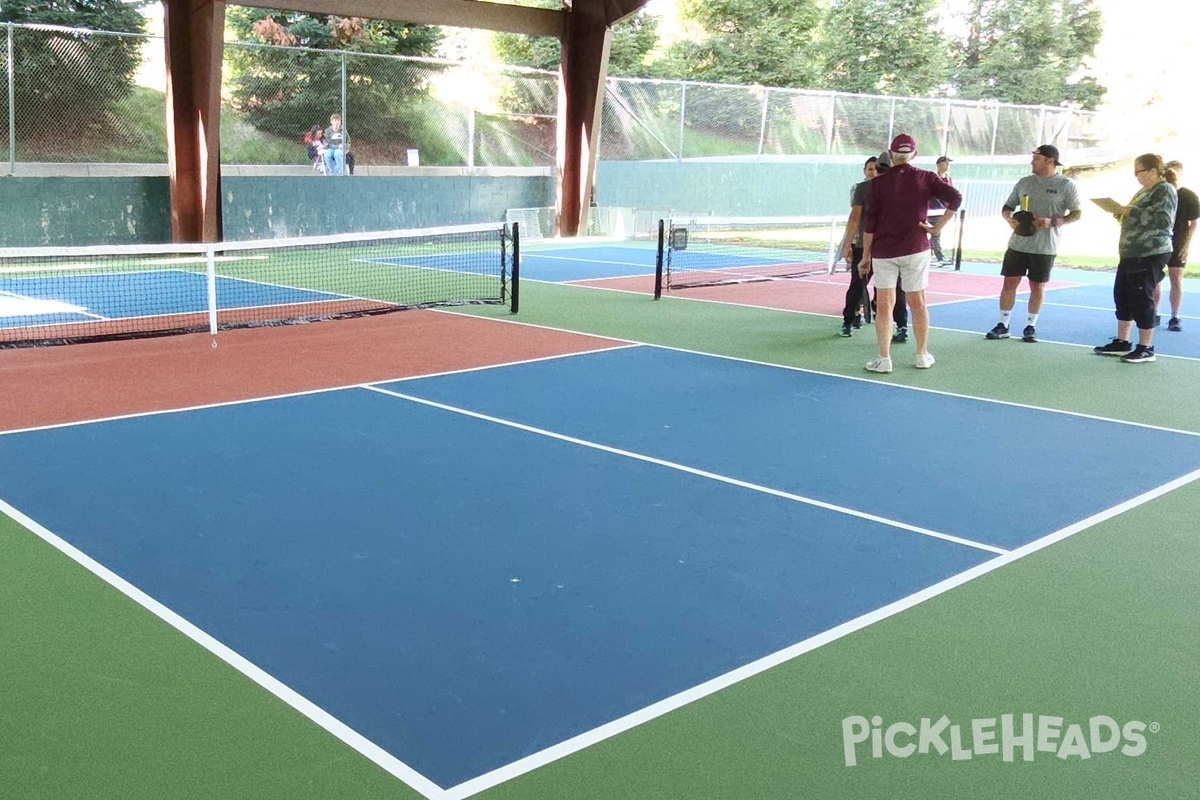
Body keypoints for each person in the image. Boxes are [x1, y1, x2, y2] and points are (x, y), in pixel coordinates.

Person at [860, 133, 962, 373]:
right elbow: (955, 198)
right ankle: (922, 354)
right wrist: (937, 228)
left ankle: (883, 358)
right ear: (914, 154)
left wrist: (865, 256)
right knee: (918, 302)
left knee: (884, 305)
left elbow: (870, 225)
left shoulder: (877, 184)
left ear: (891, 154)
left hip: (884, 251)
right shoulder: (926, 178)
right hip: (916, 249)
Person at [985, 144, 1082, 343]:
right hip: (1018, 244)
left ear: (1050, 160)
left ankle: (1030, 326)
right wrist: (1009, 218)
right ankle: (1003, 324)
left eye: (1036, 158)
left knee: (1037, 286)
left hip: (1045, 247)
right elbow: (1007, 207)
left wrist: (1053, 221)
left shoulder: (1066, 185)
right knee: (1009, 282)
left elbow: (1077, 213)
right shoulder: (1024, 182)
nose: (1032, 161)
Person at [1093, 153, 1178, 363]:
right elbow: (1137, 215)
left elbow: (1163, 219)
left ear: (1151, 171)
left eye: (1138, 172)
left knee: (1142, 297)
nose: (1136, 176)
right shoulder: (1144, 191)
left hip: (1150, 251)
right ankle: (1122, 341)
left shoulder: (1165, 189)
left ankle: (1146, 346)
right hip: (1131, 251)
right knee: (1122, 294)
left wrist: (1132, 211)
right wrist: (1120, 212)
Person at [839, 153, 910, 340]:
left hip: (888, 247)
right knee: (859, 284)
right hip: (867, 246)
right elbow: (854, 217)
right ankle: (849, 320)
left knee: (894, 287)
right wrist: (848, 244)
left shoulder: (896, 188)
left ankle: (901, 325)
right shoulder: (863, 189)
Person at [1157, 160, 1198, 331]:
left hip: (1178, 241)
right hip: (1159, 241)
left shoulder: (1189, 196)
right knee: (1155, 279)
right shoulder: (1159, 194)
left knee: (1176, 279)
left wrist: (1186, 245)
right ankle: (1154, 313)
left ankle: (1174, 316)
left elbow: (1194, 223)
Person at [928, 156, 954, 265]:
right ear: (939, 164)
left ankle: (929, 254)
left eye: (948, 163)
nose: (947, 166)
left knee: (936, 232)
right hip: (933, 209)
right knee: (935, 232)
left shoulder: (948, 178)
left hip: (944, 210)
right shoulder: (934, 177)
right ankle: (938, 255)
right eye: (945, 163)